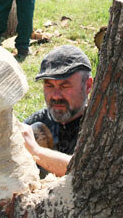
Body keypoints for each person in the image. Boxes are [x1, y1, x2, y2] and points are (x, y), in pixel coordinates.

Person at [22, 45, 93, 177]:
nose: (55, 96)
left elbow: (89, 173)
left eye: (64, 86)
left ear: (88, 86)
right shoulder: (37, 121)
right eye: (49, 85)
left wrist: (35, 151)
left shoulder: (100, 126)